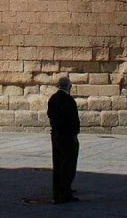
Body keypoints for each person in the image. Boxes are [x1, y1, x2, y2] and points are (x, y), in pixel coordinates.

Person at [47, 75, 80, 204]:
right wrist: (75, 136)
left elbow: (50, 115)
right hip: (67, 137)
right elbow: (74, 121)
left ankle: (57, 192)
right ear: (69, 86)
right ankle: (65, 193)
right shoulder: (69, 101)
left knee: (57, 164)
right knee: (68, 165)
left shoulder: (53, 99)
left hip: (55, 135)